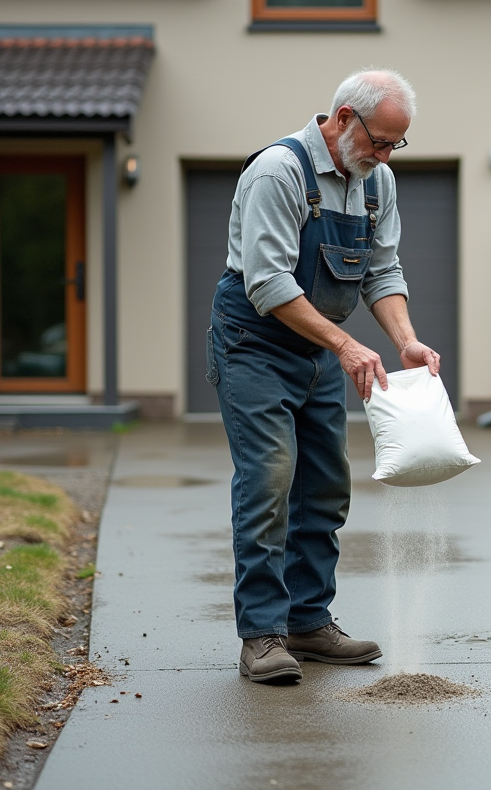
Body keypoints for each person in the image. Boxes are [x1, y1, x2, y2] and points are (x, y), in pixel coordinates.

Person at [208, 69, 440, 683]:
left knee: (327, 486)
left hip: (318, 350)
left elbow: (381, 272)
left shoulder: (375, 183)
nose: (385, 156)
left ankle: (308, 622)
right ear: (342, 118)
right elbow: (267, 283)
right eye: (379, 142)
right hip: (254, 343)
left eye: (396, 145)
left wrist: (406, 342)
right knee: (269, 479)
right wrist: (345, 343)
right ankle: (262, 633)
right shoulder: (277, 173)